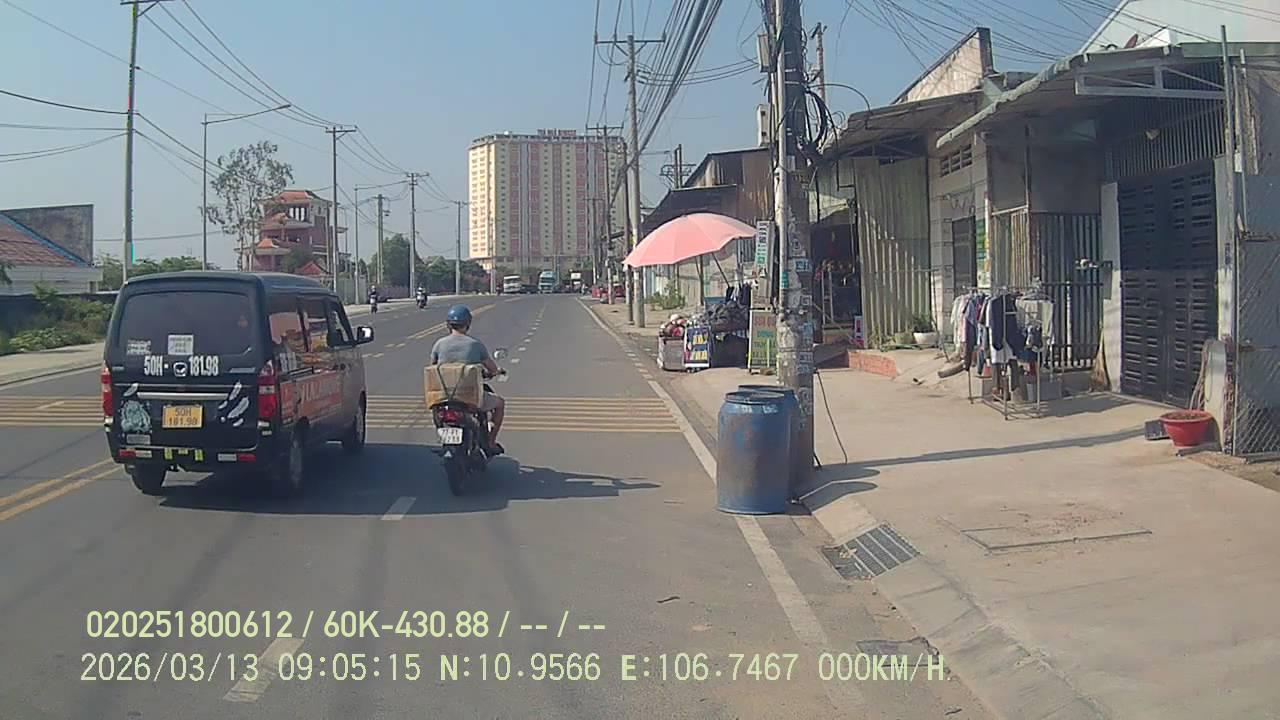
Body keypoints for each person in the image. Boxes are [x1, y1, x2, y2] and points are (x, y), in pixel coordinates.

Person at [429, 304, 505, 455]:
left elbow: (433, 367)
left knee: (437, 413)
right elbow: (492, 368)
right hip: (470, 397)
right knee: (500, 403)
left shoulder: (439, 344)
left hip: (444, 397)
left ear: (448, 324)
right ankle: (490, 442)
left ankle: (444, 441)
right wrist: (496, 372)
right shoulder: (475, 344)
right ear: (468, 324)